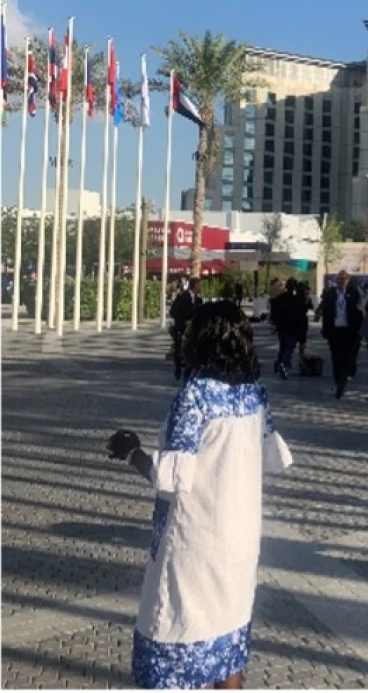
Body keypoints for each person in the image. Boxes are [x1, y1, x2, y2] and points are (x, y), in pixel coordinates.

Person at [105, 300, 292, 690]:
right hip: (239, 546)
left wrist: (132, 452)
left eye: (191, 331)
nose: (185, 336)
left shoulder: (194, 397)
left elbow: (171, 476)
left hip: (195, 546)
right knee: (228, 648)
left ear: (204, 340)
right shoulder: (256, 395)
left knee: (175, 639)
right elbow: (271, 457)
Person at [319, 270, 363, 398]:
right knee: (335, 357)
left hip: (348, 331)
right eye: (339, 279)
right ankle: (338, 380)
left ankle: (342, 383)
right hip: (334, 331)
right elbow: (325, 310)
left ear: (348, 281)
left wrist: (359, 331)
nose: (341, 282)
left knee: (347, 357)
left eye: (344, 279)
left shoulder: (354, 294)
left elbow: (359, 313)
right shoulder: (330, 294)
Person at [169, 277, 202, 381]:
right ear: (195, 286)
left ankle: (188, 369)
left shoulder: (199, 300)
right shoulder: (182, 297)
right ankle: (178, 368)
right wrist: (184, 320)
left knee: (192, 349)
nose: (201, 288)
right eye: (199, 285)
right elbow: (173, 312)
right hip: (182, 328)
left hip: (193, 330)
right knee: (179, 349)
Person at [270, 279, 298, 380]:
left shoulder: (280, 298)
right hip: (291, 326)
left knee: (282, 346)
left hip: (281, 326)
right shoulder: (295, 300)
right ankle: (282, 363)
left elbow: (274, 312)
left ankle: (278, 364)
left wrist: (275, 324)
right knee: (289, 347)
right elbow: (298, 315)